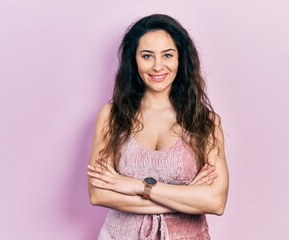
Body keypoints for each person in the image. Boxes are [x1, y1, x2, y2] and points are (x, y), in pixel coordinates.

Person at [87, 13, 229, 240]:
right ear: (134, 60)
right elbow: (98, 193)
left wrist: (136, 185)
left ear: (180, 59)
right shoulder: (111, 117)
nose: (157, 66)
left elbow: (215, 201)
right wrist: (185, 198)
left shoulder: (206, 122)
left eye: (167, 55)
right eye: (147, 56)